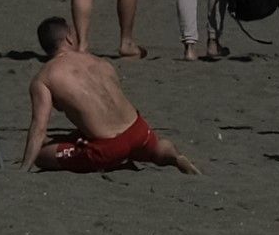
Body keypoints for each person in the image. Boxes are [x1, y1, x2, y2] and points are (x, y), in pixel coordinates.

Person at [21, 16, 199, 174]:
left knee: (42, 155)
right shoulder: (99, 61)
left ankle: (114, 164)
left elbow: (39, 128)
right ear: (68, 37)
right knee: (155, 147)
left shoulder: (44, 78)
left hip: (108, 147)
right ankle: (174, 156)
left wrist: (24, 168)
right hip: (138, 129)